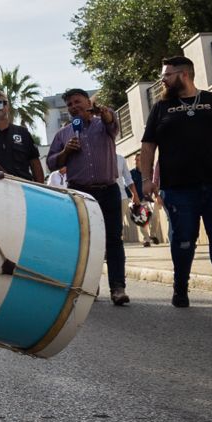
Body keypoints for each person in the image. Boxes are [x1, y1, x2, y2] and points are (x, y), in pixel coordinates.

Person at [136, 57, 212, 313]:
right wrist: (146, 179)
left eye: (167, 74)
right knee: (183, 240)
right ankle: (180, 288)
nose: (163, 79)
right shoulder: (161, 108)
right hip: (179, 188)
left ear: (185, 74)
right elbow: (148, 147)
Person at [45, 88, 131, 306]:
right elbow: (52, 163)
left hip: (109, 190)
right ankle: (91, 287)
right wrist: (66, 152)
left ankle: (118, 288)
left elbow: (113, 122)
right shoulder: (64, 134)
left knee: (113, 239)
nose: (74, 107)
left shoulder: (103, 125)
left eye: (77, 102)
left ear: (87, 102)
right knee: (87, 242)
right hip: (81, 193)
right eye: (70, 105)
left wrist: (103, 112)